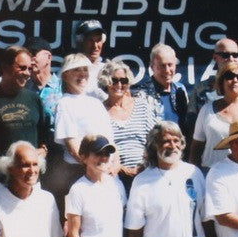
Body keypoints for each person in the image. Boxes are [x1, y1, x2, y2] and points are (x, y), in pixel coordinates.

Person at [0, 45, 52, 194]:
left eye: (29, 69)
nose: (27, 73)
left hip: (29, 182)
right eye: (22, 68)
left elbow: (45, 135)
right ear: (5, 67)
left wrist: (43, 150)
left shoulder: (34, 99)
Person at [50, 52, 114, 201]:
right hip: (79, 173)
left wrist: (113, 164)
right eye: (76, 70)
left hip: (104, 171)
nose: (82, 74)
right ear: (65, 76)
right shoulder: (64, 104)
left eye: (85, 69)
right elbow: (73, 147)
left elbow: (111, 140)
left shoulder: (96, 103)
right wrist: (93, 168)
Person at [100, 59, 158, 187]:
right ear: (106, 81)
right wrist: (122, 169)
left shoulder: (142, 106)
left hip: (146, 172)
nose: (119, 84)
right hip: (115, 175)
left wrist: (144, 166)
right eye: (114, 80)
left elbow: (154, 140)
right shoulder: (100, 111)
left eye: (124, 81)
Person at [131, 44, 192, 136]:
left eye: (170, 65)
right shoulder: (141, 95)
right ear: (152, 67)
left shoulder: (180, 89)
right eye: (162, 66)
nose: (167, 70)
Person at [190, 36, 238, 112]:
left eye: (235, 55)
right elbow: (191, 119)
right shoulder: (201, 89)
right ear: (215, 57)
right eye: (225, 55)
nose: (231, 59)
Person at [26, 36, 62, 129]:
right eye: (27, 55)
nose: (30, 59)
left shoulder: (63, 87)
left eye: (33, 53)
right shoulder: (23, 90)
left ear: (49, 57)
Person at [73, 19, 109, 96]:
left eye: (98, 40)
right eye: (90, 40)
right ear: (81, 41)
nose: (95, 46)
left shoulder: (109, 70)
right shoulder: (70, 70)